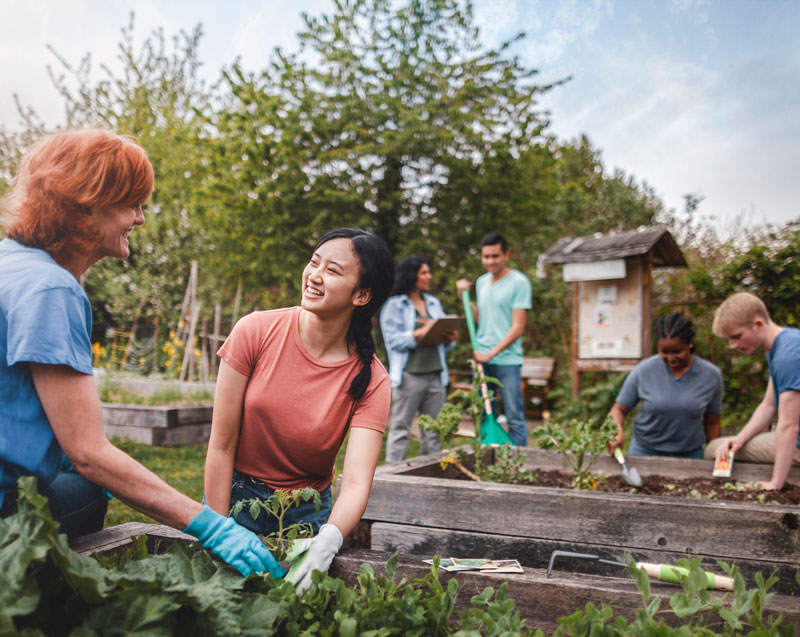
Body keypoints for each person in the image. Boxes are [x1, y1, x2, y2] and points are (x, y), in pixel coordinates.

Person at [0, 129, 283, 579]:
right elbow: (89, 452)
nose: (140, 219)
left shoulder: (10, 262)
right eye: (131, 204)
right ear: (86, 204)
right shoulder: (51, 288)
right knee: (91, 489)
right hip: (5, 511)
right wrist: (211, 525)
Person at [203, 227, 394, 590]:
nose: (314, 275)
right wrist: (217, 526)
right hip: (234, 498)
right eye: (313, 262)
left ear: (362, 294)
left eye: (333, 270)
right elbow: (221, 444)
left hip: (306, 517)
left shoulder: (372, 380)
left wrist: (329, 539)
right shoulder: (255, 331)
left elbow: (355, 481)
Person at [704, 292, 800, 490]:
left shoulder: (788, 357)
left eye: (736, 336)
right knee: (727, 445)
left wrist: (775, 484)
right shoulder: (784, 346)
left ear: (758, 325)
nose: (733, 345)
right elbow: (769, 405)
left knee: (713, 449)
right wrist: (739, 439)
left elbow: (789, 426)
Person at [608, 312, 722, 458]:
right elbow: (618, 409)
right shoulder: (644, 370)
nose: (671, 358)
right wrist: (615, 430)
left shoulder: (710, 375)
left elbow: (712, 422)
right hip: (645, 451)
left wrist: (717, 458)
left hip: (690, 455)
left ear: (691, 343)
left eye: (677, 351)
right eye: (664, 352)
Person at [456, 232, 532, 446]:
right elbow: (481, 319)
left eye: (495, 256)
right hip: (482, 359)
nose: (490, 261)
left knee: (514, 415)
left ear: (506, 255)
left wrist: (491, 353)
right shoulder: (482, 282)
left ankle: (519, 463)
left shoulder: (519, 282)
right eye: (486, 257)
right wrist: (465, 297)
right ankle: (488, 459)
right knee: (483, 412)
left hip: (507, 360)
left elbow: (518, 327)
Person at [379, 257, 457, 462]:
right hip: (409, 378)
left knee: (433, 432)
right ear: (411, 276)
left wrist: (449, 338)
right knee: (400, 429)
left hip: (436, 377)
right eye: (424, 273)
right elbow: (393, 341)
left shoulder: (433, 303)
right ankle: (393, 477)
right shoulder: (394, 305)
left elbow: (444, 341)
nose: (429, 277)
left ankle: (430, 477)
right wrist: (420, 333)